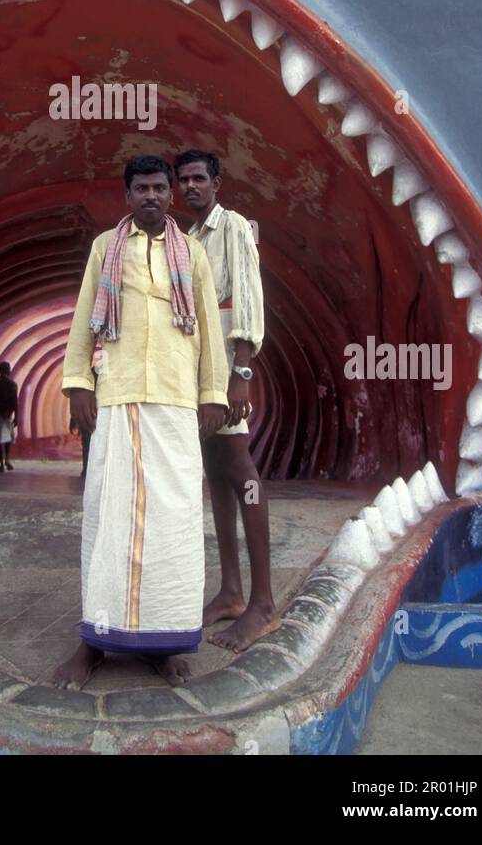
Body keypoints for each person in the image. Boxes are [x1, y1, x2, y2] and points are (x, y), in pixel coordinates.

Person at [53, 155, 229, 691]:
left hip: (176, 402)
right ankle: (95, 642)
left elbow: (207, 329)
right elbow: (86, 316)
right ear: (127, 197)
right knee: (111, 519)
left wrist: (213, 392)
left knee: (173, 528)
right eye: (141, 189)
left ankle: (166, 643)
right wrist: (79, 382)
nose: (151, 196)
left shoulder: (193, 253)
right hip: (120, 395)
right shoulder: (106, 249)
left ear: (170, 195)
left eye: (159, 187)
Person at [175, 148, 279, 653]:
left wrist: (242, 371)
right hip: (203, 376)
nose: (190, 187)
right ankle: (231, 591)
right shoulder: (190, 238)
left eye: (198, 178)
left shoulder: (233, 227)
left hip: (227, 374)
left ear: (216, 182)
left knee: (242, 472)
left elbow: (248, 296)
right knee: (216, 475)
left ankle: (263, 604)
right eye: (184, 180)